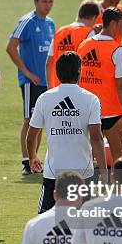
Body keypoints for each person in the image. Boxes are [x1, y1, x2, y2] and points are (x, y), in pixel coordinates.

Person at [27, 52, 107, 214]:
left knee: (46, 221)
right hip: (84, 173)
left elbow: (31, 136)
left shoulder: (44, 98)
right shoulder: (91, 99)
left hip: (53, 172)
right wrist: (104, 172)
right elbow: (96, 138)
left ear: (57, 72)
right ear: (79, 71)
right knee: (83, 224)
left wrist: (32, 157)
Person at [6, 0, 55, 175]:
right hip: (30, 82)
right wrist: (26, 72)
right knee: (29, 119)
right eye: (44, 1)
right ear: (36, 2)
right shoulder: (27, 21)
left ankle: (35, 160)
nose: (48, 5)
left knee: (40, 120)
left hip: (46, 81)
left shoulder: (51, 24)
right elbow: (10, 47)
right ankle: (26, 161)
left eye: (50, 1)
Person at [78, 7, 122, 164]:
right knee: (119, 157)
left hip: (87, 109)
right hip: (111, 113)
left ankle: (85, 186)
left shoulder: (84, 45)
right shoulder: (117, 50)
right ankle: (118, 187)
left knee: (86, 156)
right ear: (113, 24)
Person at [45, 0, 99, 89]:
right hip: (78, 89)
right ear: (93, 17)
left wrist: (50, 87)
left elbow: (48, 63)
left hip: (58, 88)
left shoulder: (60, 32)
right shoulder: (89, 33)